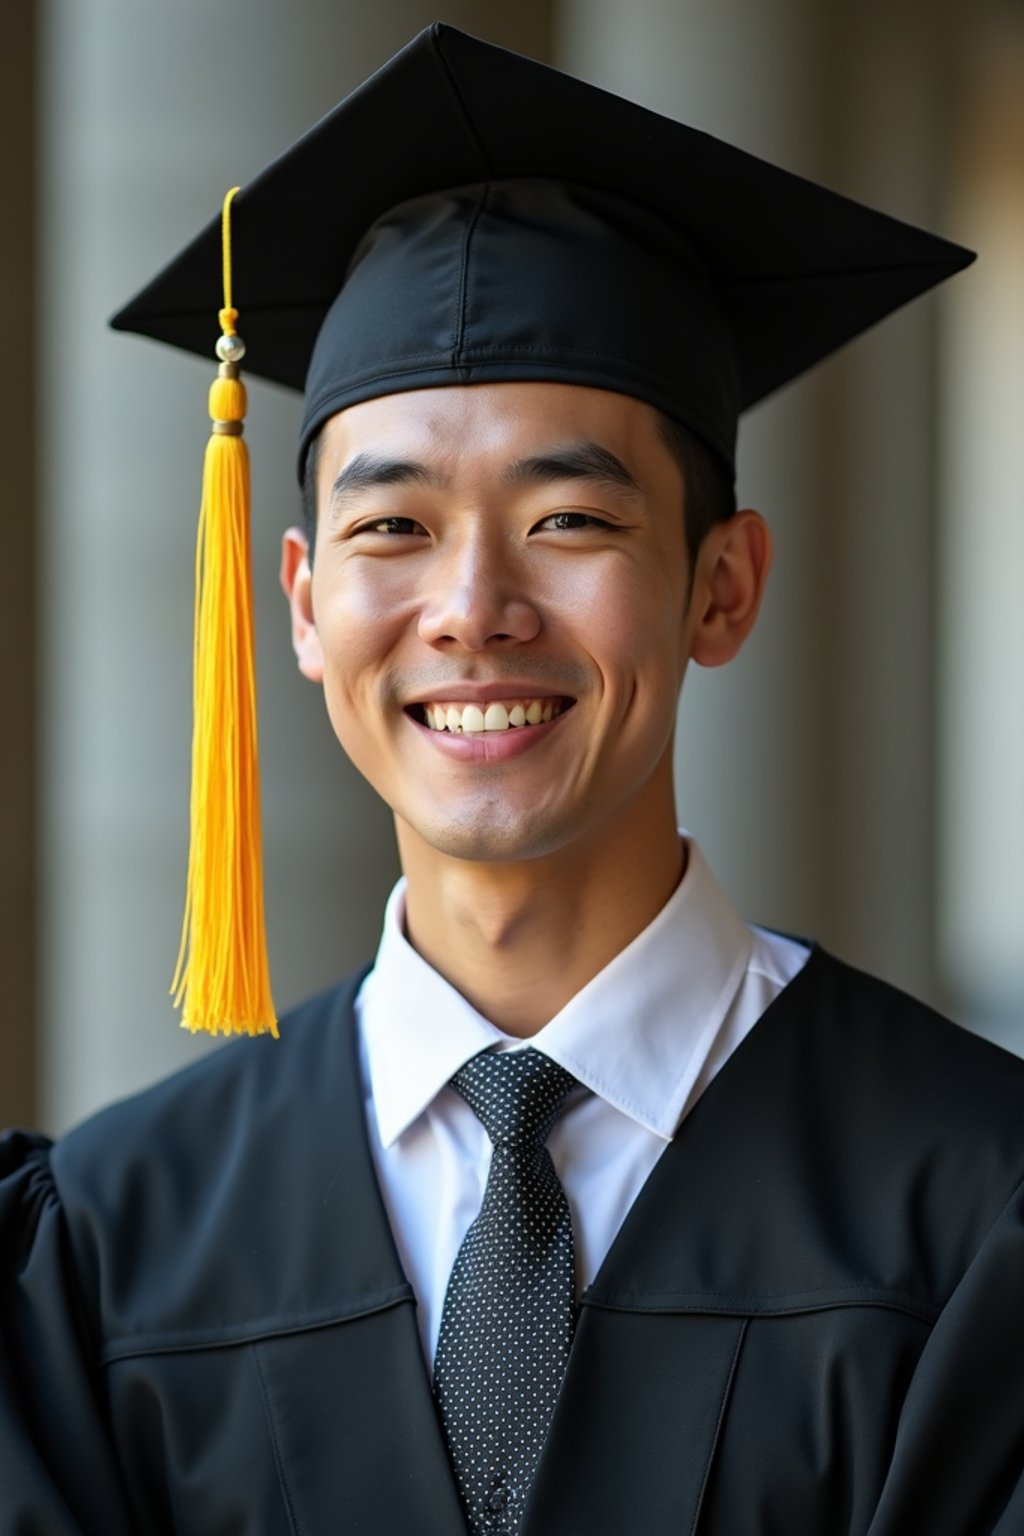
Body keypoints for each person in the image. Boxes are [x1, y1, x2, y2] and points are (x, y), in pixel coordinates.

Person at [3, 23, 1023, 1536]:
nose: (471, 607)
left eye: (569, 521)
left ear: (725, 587)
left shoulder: (974, 1211)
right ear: (297, 605)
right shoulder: (107, 1244)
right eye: (391, 529)